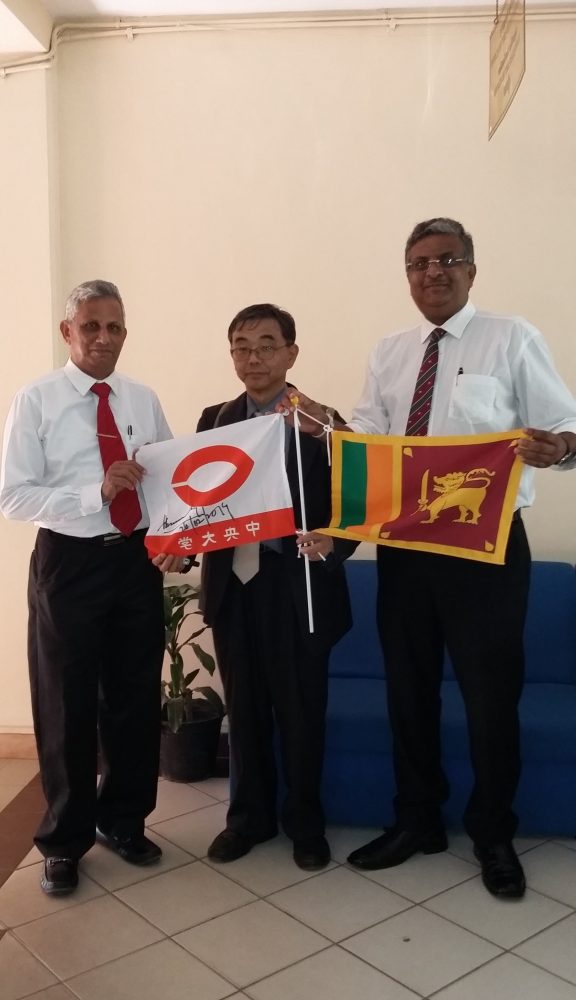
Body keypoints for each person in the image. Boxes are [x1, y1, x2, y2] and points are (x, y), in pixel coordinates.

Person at [280, 218, 576, 898]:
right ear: (407, 275)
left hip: (485, 549)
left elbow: (566, 422)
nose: (432, 273)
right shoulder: (390, 352)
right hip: (407, 547)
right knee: (407, 690)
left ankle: (493, 833)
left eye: (446, 260)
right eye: (418, 263)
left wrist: (559, 447)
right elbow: (370, 441)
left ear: (472, 269)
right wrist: (328, 424)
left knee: (489, 698)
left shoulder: (512, 337)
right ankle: (417, 820)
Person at [0, 280, 183, 896]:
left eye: (115, 327)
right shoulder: (37, 400)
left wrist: (173, 538)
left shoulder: (142, 398)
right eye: (91, 326)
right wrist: (94, 492)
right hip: (69, 563)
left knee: (133, 696)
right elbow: (13, 495)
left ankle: (123, 821)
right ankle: (63, 841)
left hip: (134, 559)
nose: (104, 338)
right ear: (67, 332)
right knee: (65, 702)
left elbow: (165, 478)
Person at [197, 303, 354, 870]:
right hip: (233, 587)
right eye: (241, 347)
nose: (254, 357)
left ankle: (305, 824)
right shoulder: (214, 420)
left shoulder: (322, 421)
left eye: (267, 345)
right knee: (244, 712)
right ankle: (248, 819)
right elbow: (197, 499)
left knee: (301, 713)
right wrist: (176, 543)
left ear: (291, 353)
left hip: (297, 587)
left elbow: (357, 497)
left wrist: (336, 543)